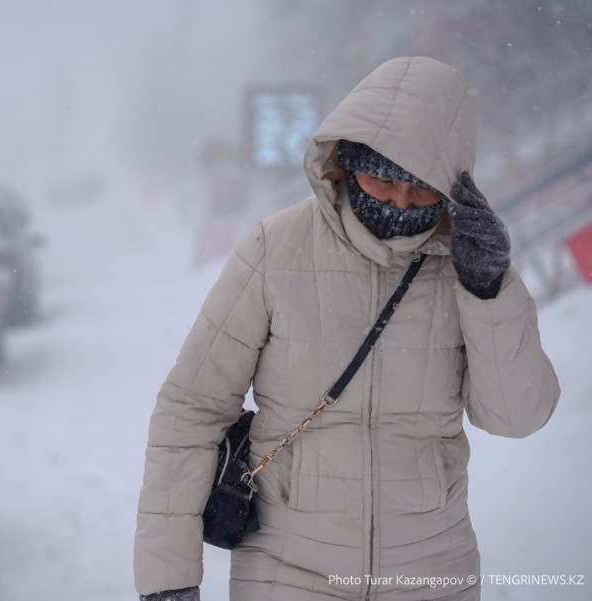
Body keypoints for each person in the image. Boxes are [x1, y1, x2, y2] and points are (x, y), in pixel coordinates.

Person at [133, 56, 560, 601]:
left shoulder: (470, 265)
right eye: (382, 178)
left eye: (422, 188)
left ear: (452, 181)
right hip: (286, 568)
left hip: (431, 569)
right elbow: (191, 409)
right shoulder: (276, 248)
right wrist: (168, 579)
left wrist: (488, 289)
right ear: (348, 157)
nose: (400, 202)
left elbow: (516, 417)